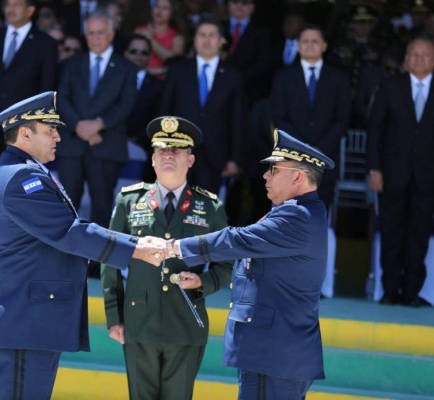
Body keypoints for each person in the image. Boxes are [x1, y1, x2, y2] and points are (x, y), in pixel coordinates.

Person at [0, 91, 166, 399]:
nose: (58, 136)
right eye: (49, 130)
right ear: (25, 134)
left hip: (27, 320)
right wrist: (136, 248)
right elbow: (69, 232)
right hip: (22, 322)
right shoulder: (22, 178)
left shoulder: (27, 172)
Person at [164, 129, 335, 400]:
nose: (265, 176)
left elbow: (237, 239)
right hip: (271, 353)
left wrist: (175, 247)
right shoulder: (296, 212)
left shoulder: (297, 215)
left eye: (274, 170)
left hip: (276, 355)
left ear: (298, 176)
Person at [101, 116, 233, 400]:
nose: (168, 156)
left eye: (177, 150)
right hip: (139, 321)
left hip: (185, 321)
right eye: (162, 150)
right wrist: (114, 316)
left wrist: (203, 282)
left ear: (191, 160)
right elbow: (110, 260)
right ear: (152, 159)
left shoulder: (209, 206)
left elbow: (229, 261)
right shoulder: (129, 201)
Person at [0, 0, 58, 267]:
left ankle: (16, 250)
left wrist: (41, 132)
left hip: (24, 134)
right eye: (8, 3)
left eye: (17, 4)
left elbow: (46, 91)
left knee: (20, 189)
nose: (10, 7)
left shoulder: (45, 44)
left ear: (31, 10)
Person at [367, 36, 434, 307]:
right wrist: (375, 170)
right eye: (414, 54)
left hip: (428, 177)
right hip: (391, 175)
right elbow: (375, 132)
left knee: (418, 235)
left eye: (425, 54)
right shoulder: (390, 86)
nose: (419, 59)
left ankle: (411, 293)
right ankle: (390, 290)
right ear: (406, 59)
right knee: (392, 233)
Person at [57, 10, 137, 229]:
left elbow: (126, 104)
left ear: (111, 34)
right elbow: (61, 98)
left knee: (101, 208)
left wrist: (98, 125)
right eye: (91, 33)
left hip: (106, 145)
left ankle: (95, 263)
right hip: (72, 145)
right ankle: (65, 260)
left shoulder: (126, 68)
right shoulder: (71, 64)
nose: (95, 38)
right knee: (66, 206)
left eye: (100, 33)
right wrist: (79, 126)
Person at [159, 19, 244, 194]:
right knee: (174, 211)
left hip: (214, 156)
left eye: (212, 35)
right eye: (202, 35)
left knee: (204, 214)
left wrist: (234, 159)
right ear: (195, 40)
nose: (206, 40)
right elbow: (164, 111)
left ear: (221, 41)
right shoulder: (178, 70)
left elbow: (238, 120)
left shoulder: (233, 76)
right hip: (177, 153)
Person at [270, 25, 350, 210]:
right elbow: (278, 116)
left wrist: (319, 149)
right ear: (298, 46)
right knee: (287, 215)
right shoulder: (283, 77)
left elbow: (342, 118)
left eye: (315, 41)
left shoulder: (338, 78)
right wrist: (302, 149)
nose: (310, 45)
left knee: (319, 213)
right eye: (305, 41)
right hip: (291, 159)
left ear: (324, 46)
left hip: (325, 159)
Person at [123, 33, 164, 180]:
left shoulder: (158, 87)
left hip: (143, 150)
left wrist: (136, 138)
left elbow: (157, 117)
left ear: (149, 57)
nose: (138, 56)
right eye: (133, 51)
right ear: (125, 53)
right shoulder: (109, 82)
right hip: (109, 146)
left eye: (144, 53)